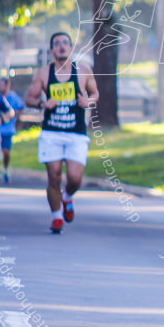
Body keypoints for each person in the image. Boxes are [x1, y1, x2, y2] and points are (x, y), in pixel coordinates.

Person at [24, 32, 98, 234]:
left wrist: (88, 102)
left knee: (75, 179)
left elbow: (95, 93)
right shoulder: (43, 73)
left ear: (71, 48)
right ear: (51, 50)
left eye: (65, 43)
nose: (62, 46)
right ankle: (56, 217)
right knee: (54, 177)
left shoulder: (83, 71)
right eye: (57, 44)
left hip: (76, 133)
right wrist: (42, 103)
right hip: (51, 133)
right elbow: (29, 98)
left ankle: (67, 196)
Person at [0, 77, 25, 184]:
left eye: (2, 85)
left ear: (7, 86)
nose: (1, 87)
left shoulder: (13, 97)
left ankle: (5, 168)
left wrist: (16, 117)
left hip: (8, 129)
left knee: (6, 152)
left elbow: (21, 108)